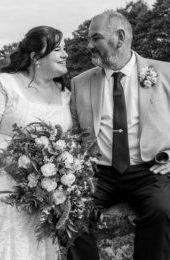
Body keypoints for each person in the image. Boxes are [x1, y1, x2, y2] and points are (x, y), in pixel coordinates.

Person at [0, 26, 72, 260]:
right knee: (11, 206)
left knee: (46, 205)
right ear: (36, 58)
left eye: (65, 49)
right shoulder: (4, 85)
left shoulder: (66, 95)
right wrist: (17, 167)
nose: (65, 54)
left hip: (44, 175)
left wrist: (53, 176)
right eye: (58, 49)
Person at [68, 11, 170, 260]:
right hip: (97, 174)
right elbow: (72, 132)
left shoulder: (166, 72)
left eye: (96, 38)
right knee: (69, 211)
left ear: (120, 37)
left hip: (148, 171)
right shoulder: (79, 82)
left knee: (163, 209)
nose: (89, 45)